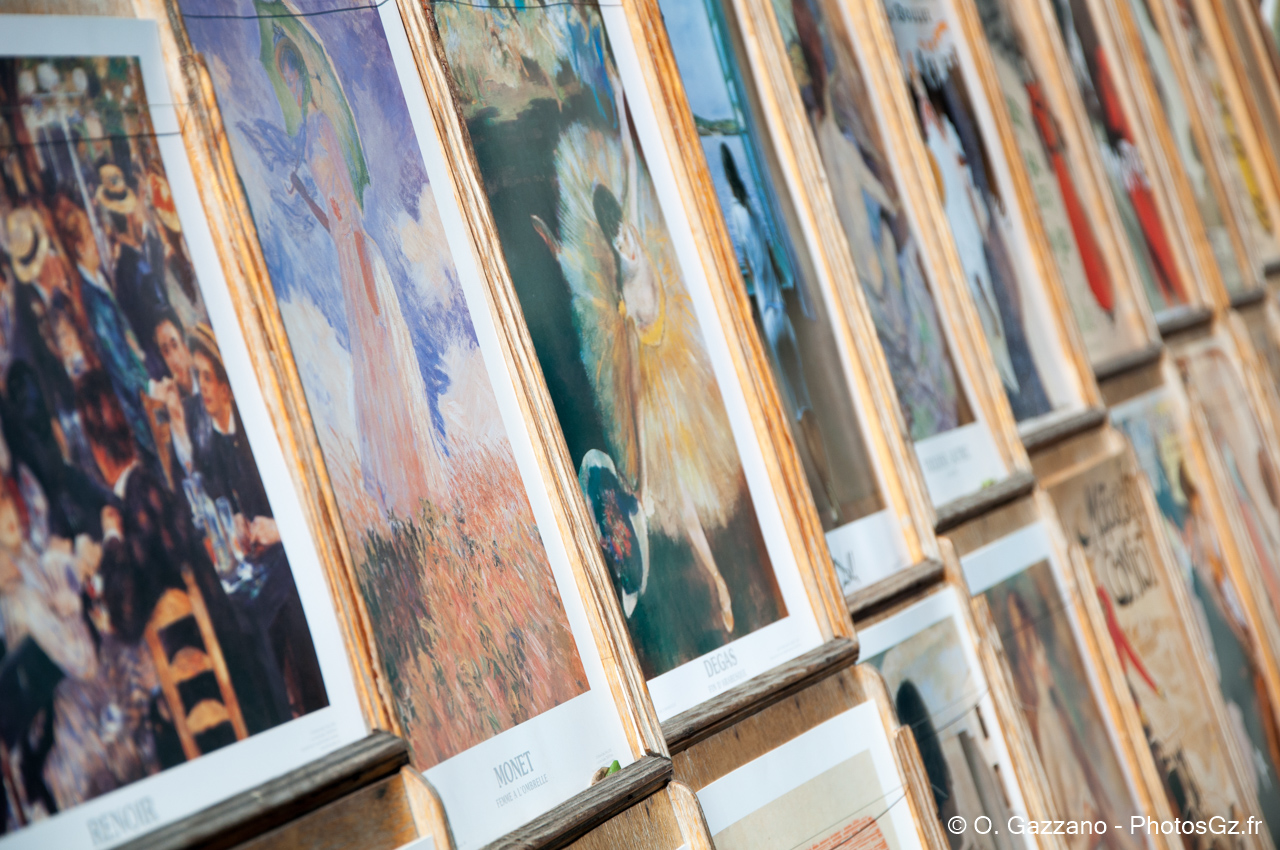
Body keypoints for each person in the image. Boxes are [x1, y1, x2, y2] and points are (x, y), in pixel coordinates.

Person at [76, 369, 275, 735]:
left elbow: (124, 619)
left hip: (203, 693)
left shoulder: (133, 505)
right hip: (233, 665)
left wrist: (111, 537)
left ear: (97, 450)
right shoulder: (148, 487)